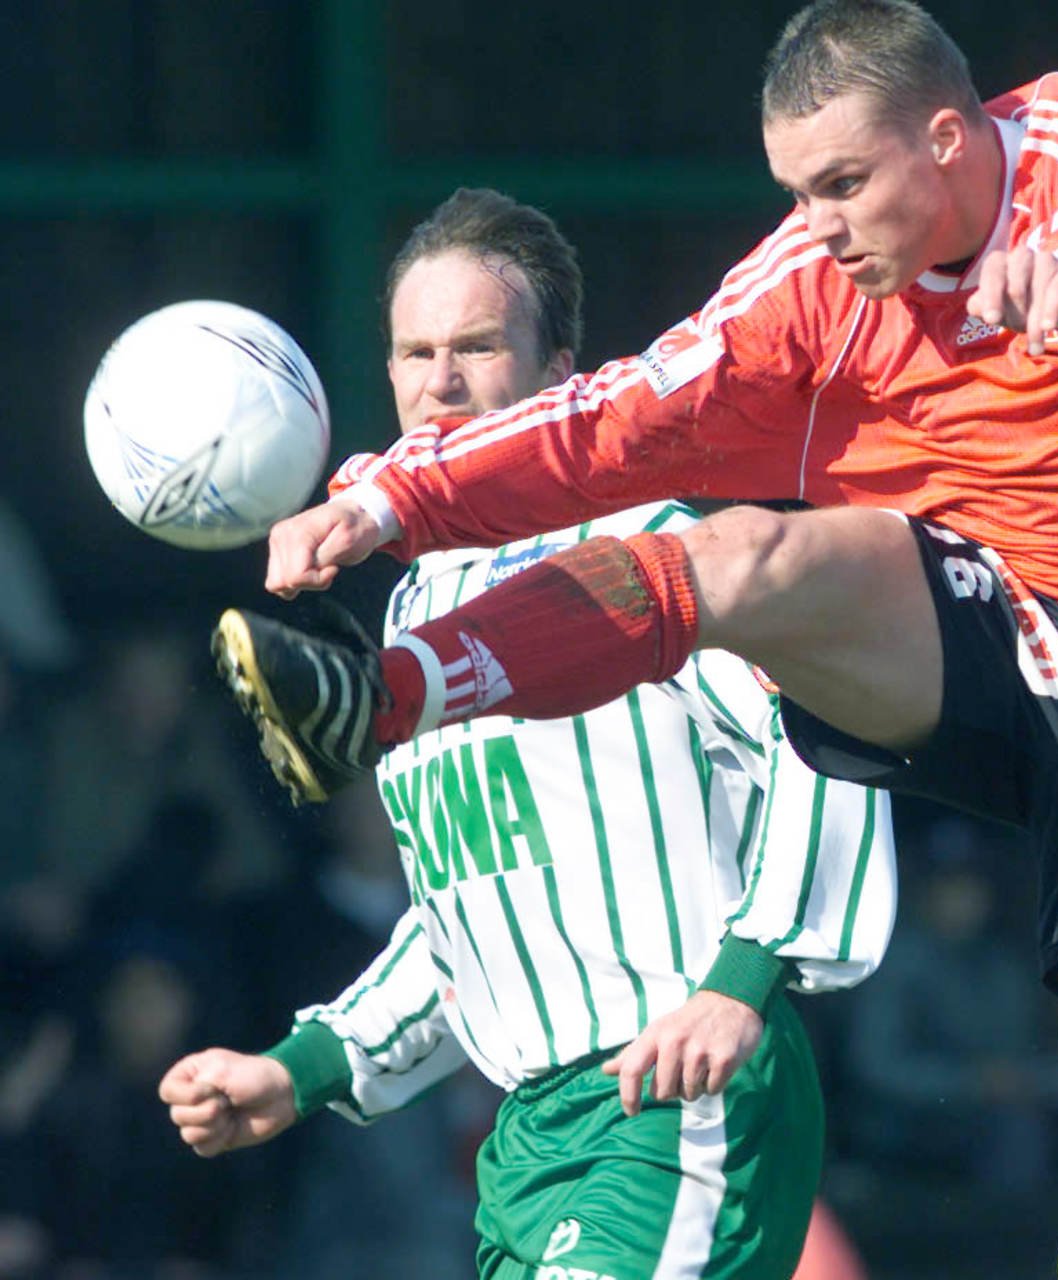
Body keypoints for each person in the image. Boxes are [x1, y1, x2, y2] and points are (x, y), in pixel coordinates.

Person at [209, 0, 1058, 1219]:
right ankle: (391, 692)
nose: (819, 226)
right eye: (797, 190)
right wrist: (391, 498)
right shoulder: (810, 283)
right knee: (739, 557)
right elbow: (616, 416)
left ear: (949, 136)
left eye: (843, 182)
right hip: (993, 631)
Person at [164, 189, 897, 1280]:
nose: (439, 382)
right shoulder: (413, 613)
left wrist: (741, 978)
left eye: (475, 346)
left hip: (672, 1092)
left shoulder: (655, 546)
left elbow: (836, 727)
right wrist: (306, 1066)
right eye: (415, 352)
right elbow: (475, 906)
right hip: (528, 1140)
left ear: (561, 373)